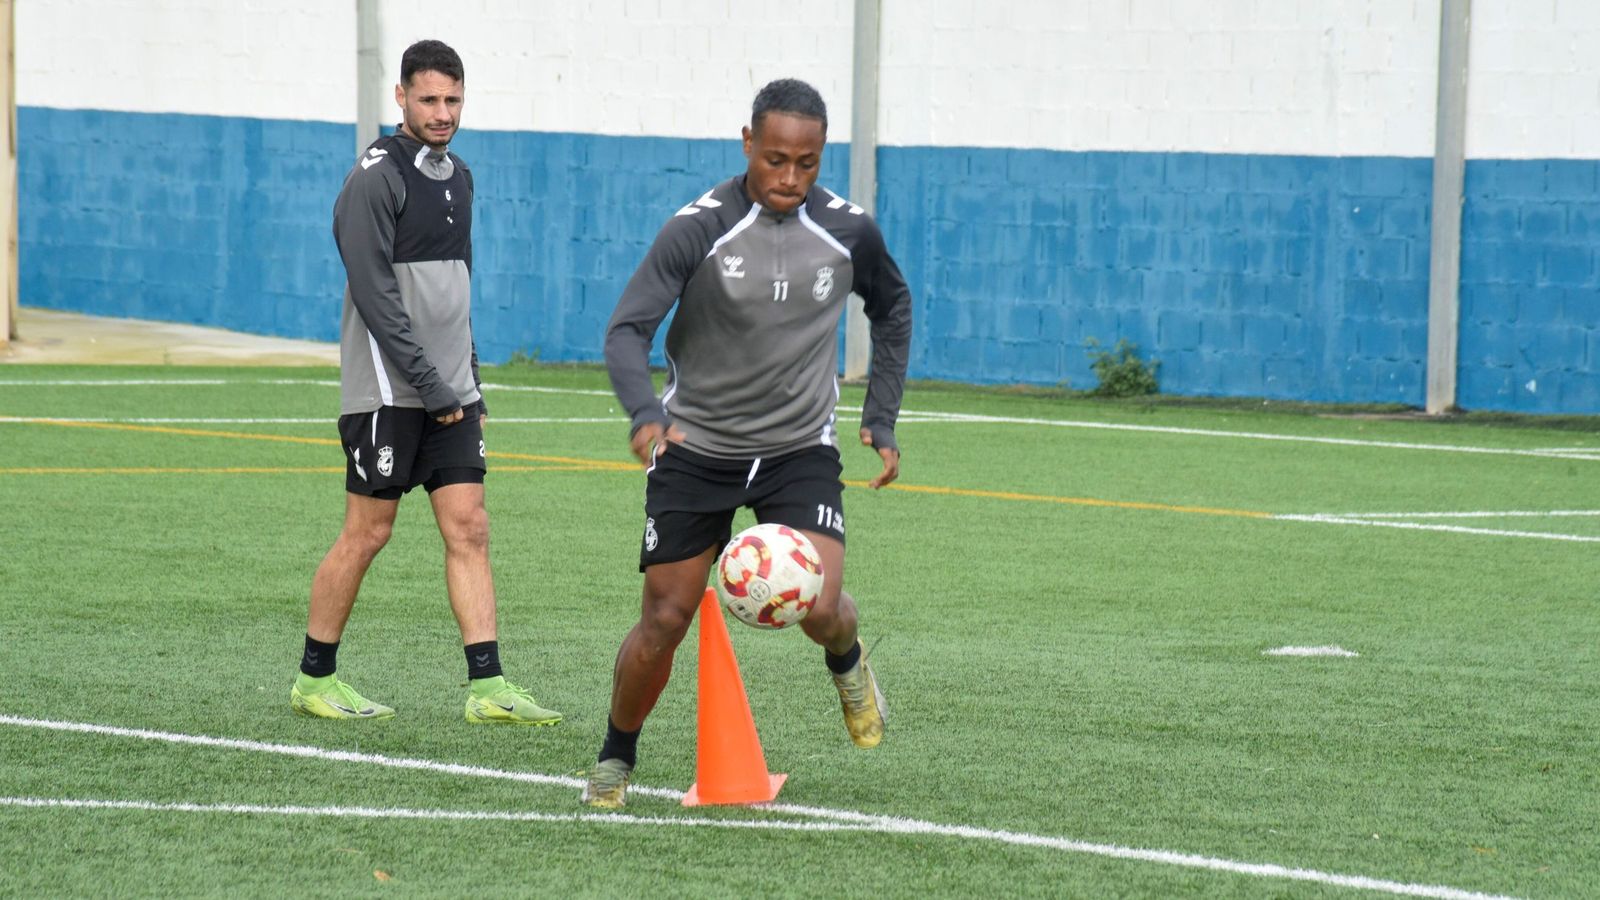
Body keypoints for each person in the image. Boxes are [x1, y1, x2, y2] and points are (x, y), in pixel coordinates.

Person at [582, 78, 912, 807]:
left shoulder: (850, 231)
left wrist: (880, 414)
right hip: (696, 447)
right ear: (746, 146)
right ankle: (615, 758)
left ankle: (849, 662)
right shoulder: (697, 230)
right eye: (774, 160)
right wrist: (644, 413)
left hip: (798, 448)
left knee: (820, 607)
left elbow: (893, 307)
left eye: (806, 163)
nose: (790, 178)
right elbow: (626, 329)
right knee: (664, 618)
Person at [289, 39, 561, 726]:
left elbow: (458, 287)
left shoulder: (459, 175)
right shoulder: (376, 177)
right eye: (430, 99)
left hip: (449, 389)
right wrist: (431, 384)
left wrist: (465, 378)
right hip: (388, 392)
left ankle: (487, 686)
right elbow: (377, 297)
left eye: (453, 100)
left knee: (469, 526)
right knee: (368, 532)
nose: (442, 113)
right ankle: (314, 679)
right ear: (402, 99)